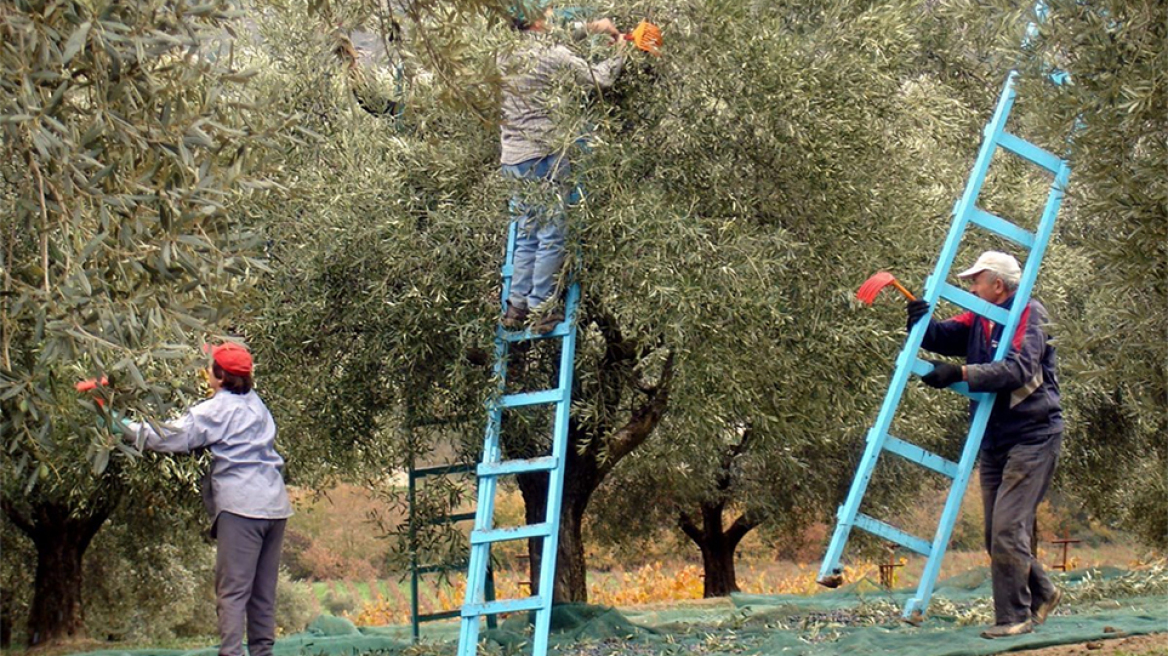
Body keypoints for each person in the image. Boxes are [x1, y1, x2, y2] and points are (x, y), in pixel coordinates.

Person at [906, 251, 1064, 639]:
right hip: (994, 437)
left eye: (975, 280)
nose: (970, 287)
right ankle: (1042, 592)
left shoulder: (1029, 312)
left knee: (1008, 528)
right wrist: (919, 321)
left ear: (997, 285)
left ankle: (1014, 617)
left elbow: (1019, 369)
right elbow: (946, 336)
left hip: (1034, 434)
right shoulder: (981, 315)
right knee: (996, 532)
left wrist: (960, 373)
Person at [124, 342, 292, 656]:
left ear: (219, 375)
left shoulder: (216, 408)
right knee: (263, 593)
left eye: (209, 365)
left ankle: (230, 653)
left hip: (242, 507)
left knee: (232, 592)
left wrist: (124, 427)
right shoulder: (258, 405)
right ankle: (262, 653)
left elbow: (170, 435)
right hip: (275, 506)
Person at [498, 1, 626, 333]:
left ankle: (516, 309)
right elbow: (600, 80)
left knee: (527, 233)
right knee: (552, 233)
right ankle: (543, 309)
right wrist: (622, 51)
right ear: (537, 21)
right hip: (544, 155)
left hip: (513, 157)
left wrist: (595, 27)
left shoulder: (504, 55)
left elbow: (563, 36)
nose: (552, 17)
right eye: (548, 13)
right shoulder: (551, 55)